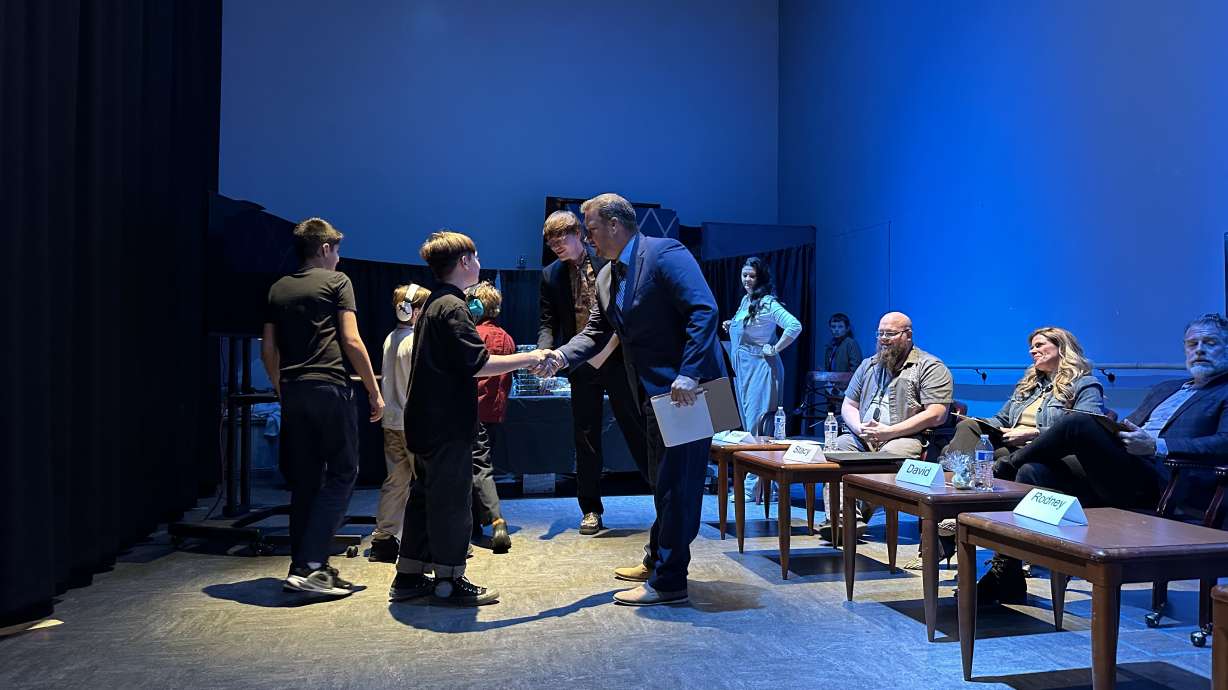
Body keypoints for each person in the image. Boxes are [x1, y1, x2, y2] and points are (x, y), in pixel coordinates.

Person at [541, 193, 725, 606]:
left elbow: (704, 311)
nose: (587, 238)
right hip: (654, 395)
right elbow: (596, 332)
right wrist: (559, 357)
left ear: (614, 224)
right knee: (663, 482)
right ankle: (658, 559)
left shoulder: (664, 253)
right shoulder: (608, 276)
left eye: (590, 228)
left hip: (689, 393)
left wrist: (689, 372)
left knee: (679, 486)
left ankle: (670, 582)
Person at [977, 314, 1228, 605]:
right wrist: (1112, 431)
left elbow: (1224, 442)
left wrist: (1157, 446)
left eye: (1210, 343)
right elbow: (1129, 426)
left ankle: (1005, 466)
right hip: (1123, 471)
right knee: (1034, 471)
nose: (1199, 350)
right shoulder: (1167, 388)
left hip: (1165, 480)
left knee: (1078, 422)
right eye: (1192, 344)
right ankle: (1008, 573)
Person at [388, 231, 546, 607]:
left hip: (425, 421)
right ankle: (449, 579)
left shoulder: (434, 304)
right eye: (475, 257)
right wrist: (533, 358)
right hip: (446, 424)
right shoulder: (453, 307)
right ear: (464, 262)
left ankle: (408, 576)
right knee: (451, 503)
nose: (479, 263)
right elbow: (479, 363)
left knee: (424, 497)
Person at [261, 217, 384, 597]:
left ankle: (302, 567)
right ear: (326, 248)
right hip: (329, 387)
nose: (339, 258)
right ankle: (313, 564)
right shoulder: (337, 282)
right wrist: (374, 390)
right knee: (344, 473)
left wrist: (281, 387)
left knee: (306, 481)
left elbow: (268, 349)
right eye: (338, 250)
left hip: (293, 390)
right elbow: (351, 340)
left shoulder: (278, 288)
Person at [913, 327, 1103, 569]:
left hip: (1052, 455)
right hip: (1014, 448)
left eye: (1039, 345)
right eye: (1031, 347)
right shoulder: (1029, 385)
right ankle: (950, 503)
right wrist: (981, 423)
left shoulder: (1085, 385)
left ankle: (954, 525)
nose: (1032, 351)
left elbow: (1087, 427)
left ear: (1061, 348)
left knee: (1007, 460)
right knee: (969, 427)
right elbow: (1002, 419)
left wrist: (1035, 433)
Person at [538, 210, 651, 536]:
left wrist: (604, 352)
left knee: (636, 428)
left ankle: (662, 494)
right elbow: (548, 322)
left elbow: (624, 313)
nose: (556, 246)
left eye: (561, 239)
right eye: (551, 242)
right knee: (585, 438)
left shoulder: (608, 262)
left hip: (617, 359)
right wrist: (545, 353)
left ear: (578, 234)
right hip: (580, 363)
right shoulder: (550, 275)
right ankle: (590, 509)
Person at [826, 311, 953, 537]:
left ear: (908, 335)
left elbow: (937, 414)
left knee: (887, 457)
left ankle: (851, 518)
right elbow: (849, 404)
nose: (883, 339)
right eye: (880, 333)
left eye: (890, 334)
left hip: (905, 437)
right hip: (863, 436)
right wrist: (859, 428)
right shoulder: (868, 365)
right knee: (836, 449)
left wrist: (889, 432)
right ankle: (842, 519)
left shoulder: (930, 366)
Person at [721, 256, 802, 502]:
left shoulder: (768, 302)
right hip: (744, 370)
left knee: (758, 426)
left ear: (761, 278)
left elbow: (794, 326)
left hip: (761, 369)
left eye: (752, 276)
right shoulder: (747, 301)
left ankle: (754, 487)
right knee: (749, 426)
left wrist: (775, 348)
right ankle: (765, 486)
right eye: (744, 275)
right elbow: (751, 329)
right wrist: (732, 325)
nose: (747, 280)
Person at [370, 283, 431, 563]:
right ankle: (433, 542)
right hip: (414, 423)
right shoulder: (415, 341)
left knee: (395, 481)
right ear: (413, 311)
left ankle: (384, 540)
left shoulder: (390, 338)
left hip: (392, 422)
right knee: (428, 483)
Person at [467, 281, 514, 554]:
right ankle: (474, 524)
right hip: (496, 414)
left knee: (478, 468)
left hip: (473, 412)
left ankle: (497, 521)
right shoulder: (507, 338)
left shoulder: (473, 335)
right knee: (481, 467)